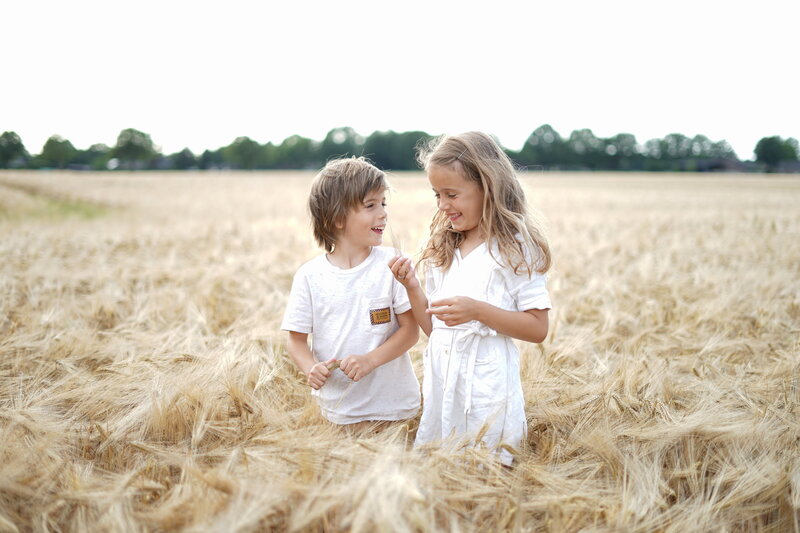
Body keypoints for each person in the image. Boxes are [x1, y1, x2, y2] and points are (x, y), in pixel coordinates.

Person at [388, 132, 552, 464]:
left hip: (487, 389)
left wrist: (478, 311)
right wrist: (413, 288)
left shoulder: (515, 247)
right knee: (442, 468)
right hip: (442, 384)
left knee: (488, 468)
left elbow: (538, 328)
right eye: (437, 195)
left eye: (452, 194)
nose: (443, 205)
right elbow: (435, 329)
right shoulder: (444, 247)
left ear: (487, 187)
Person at [282, 157, 421, 428]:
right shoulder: (310, 277)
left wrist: (370, 360)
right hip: (337, 411)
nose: (382, 213)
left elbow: (410, 331)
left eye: (383, 203)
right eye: (370, 205)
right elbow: (296, 340)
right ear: (337, 219)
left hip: (395, 409)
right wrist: (311, 367)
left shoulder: (393, 264)